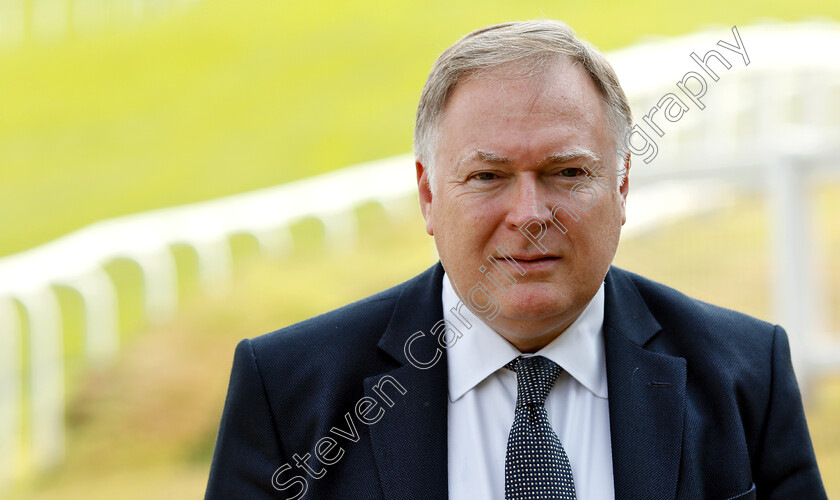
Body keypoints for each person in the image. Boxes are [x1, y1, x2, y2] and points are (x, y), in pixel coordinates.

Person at [205, 20, 826, 499]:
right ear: (428, 194)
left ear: (622, 186)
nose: (530, 213)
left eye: (567, 172)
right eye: (487, 175)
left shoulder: (746, 375)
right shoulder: (291, 390)